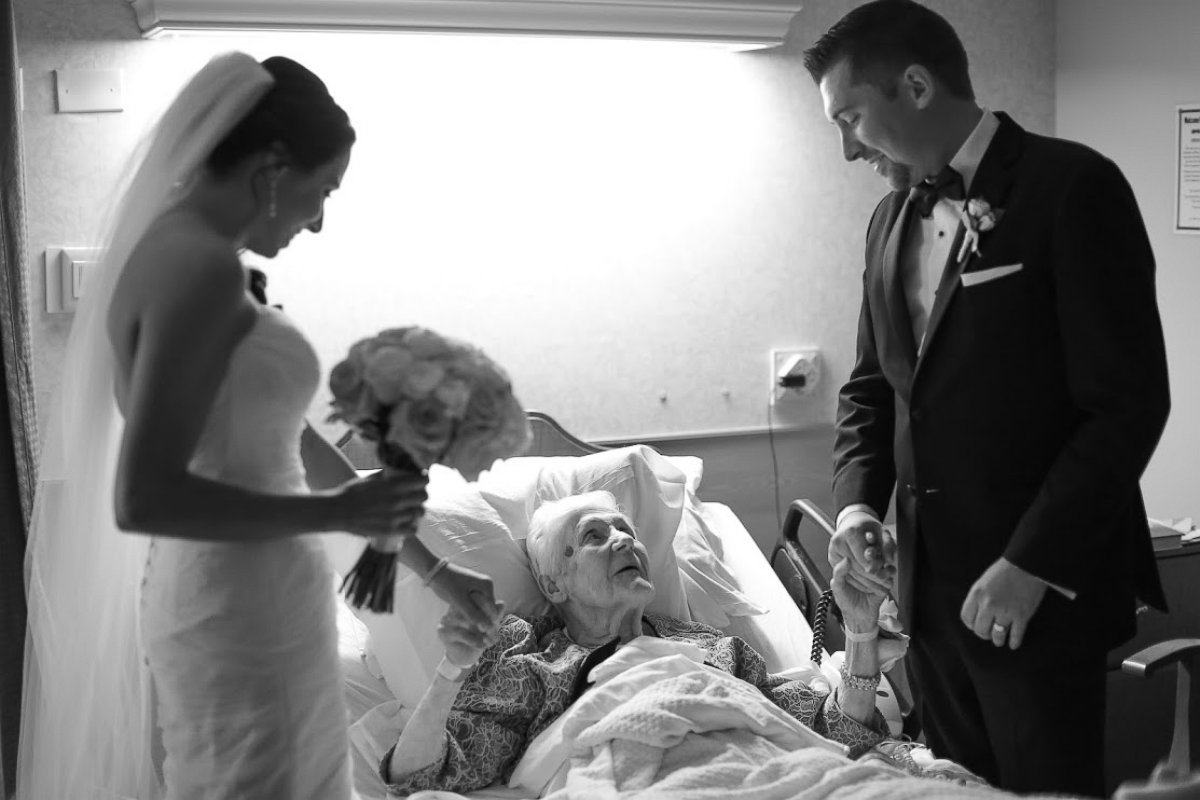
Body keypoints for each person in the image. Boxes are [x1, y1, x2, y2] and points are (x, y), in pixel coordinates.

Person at [18, 53, 501, 800]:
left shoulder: (192, 259)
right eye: (323, 190)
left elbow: (294, 450)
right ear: (274, 167)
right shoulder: (196, 268)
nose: (318, 219)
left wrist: (435, 570)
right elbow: (143, 497)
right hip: (238, 610)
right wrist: (337, 515)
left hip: (255, 598)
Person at [802, 1, 1171, 795]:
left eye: (851, 117)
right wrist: (859, 506)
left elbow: (1128, 404)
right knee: (954, 787)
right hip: (929, 596)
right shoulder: (886, 220)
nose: (845, 146)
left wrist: (1030, 563)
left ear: (916, 85)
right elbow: (873, 388)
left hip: (1037, 591)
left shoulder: (1074, 188)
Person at [380, 491, 991, 796]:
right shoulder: (530, 663)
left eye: (625, 528)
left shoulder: (710, 647)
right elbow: (423, 774)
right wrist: (449, 676)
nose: (624, 540)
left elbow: (834, 736)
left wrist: (858, 638)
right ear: (551, 582)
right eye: (595, 536)